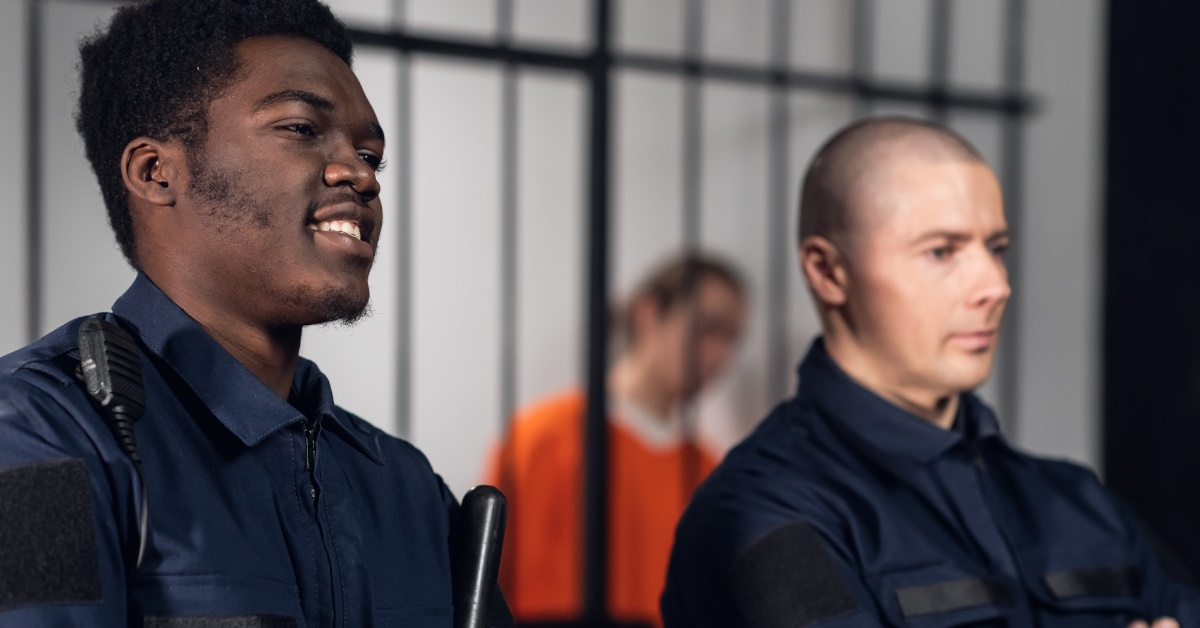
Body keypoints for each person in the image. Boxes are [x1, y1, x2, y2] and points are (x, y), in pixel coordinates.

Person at [0, 1, 510, 625]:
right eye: (300, 128)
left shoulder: (408, 489)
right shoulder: (33, 436)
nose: (361, 175)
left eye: (371, 155)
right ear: (156, 172)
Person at [660, 117, 1197, 627]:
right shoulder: (762, 514)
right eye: (941, 251)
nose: (995, 285)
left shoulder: (1076, 500)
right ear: (828, 272)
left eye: (996, 248)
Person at [488, 253, 747, 627]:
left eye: (731, 339)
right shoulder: (544, 437)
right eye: (707, 328)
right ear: (649, 313)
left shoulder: (705, 468)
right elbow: (491, 578)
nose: (719, 354)